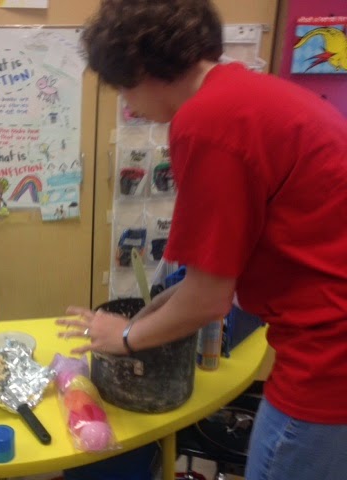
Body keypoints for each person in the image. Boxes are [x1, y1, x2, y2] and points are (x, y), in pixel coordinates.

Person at [56, 1, 347, 479]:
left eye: (124, 88)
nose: (130, 105)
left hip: (329, 360)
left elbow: (209, 301)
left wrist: (125, 338)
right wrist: (153, 311)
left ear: (140, 67)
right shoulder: (248, 93)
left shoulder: (208, 122)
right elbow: (211, 276)